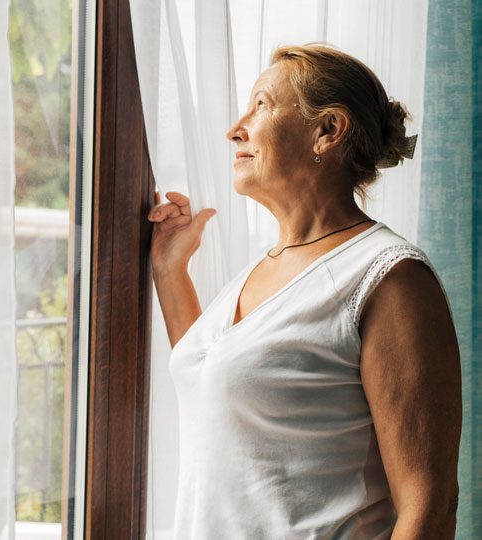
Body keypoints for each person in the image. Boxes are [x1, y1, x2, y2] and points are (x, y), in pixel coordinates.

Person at [147, 43, 461, 539]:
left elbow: (430, 507)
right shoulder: (261, 269)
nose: (236, 128)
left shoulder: (389, 278)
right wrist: (170, 270)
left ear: (327, 131)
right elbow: (219, 393)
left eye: (263, 105)